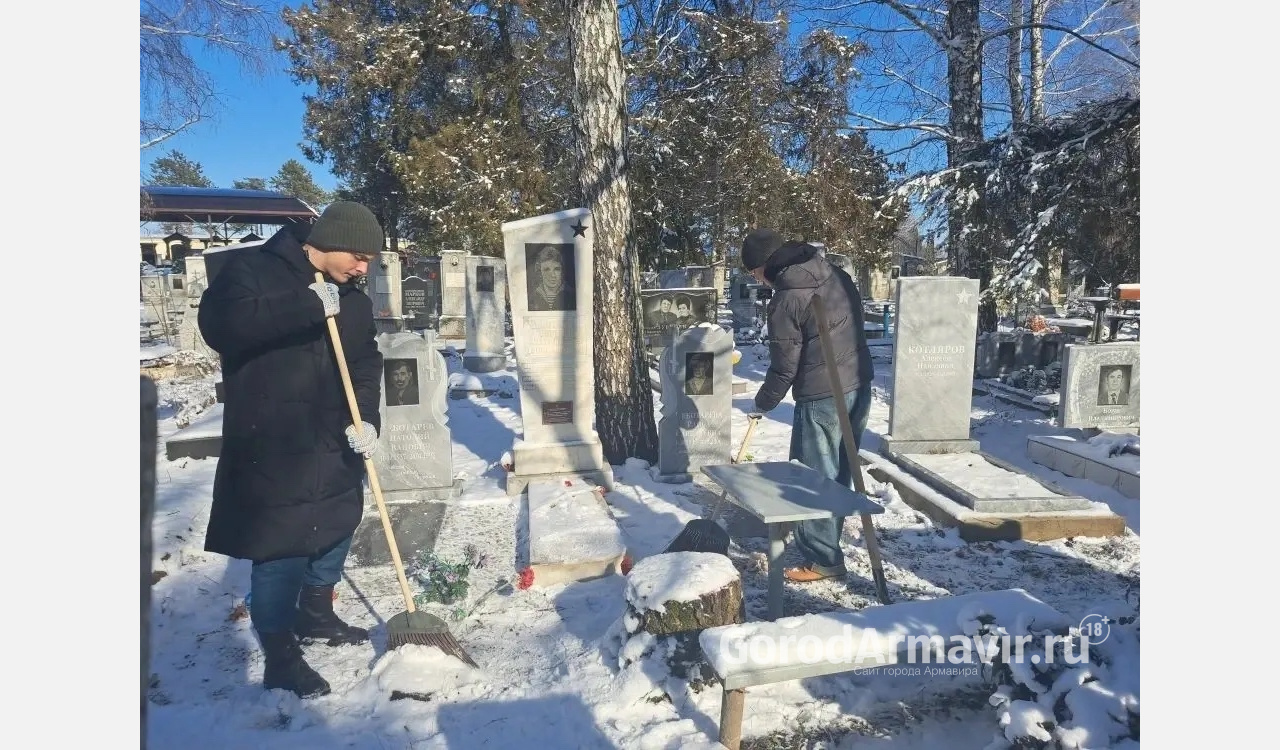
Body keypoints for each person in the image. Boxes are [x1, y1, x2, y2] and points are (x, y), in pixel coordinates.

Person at [197, 201, 386, 699]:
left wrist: (367, 418)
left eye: (370, 261)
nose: (364, 268)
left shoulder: (353, 298)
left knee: (338, 524)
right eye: (359, 256)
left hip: (334, 435)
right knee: (280, 544)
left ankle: (316, 614)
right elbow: (222, 329)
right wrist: (307, 303)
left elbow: (366, 363)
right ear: (326, 240)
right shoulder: (251, 270)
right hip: (274, 436)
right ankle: (280, 654)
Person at [742, 228, 873, 583]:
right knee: (840, 472)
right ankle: (825, 538)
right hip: (859, 386)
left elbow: (785, 365)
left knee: (812, 477)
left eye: (754, 273)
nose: (758, 281)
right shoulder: (834, 273)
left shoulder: (787, 299)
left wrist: (763, 402)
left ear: (764, 266)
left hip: (821, 394)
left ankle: (823, 558)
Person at [528, 245, 575, 311]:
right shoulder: (533, 297)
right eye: (547, 269)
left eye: (557, 269)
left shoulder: (572, 295)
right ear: (540, 271)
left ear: (562, 270)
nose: (552, 275)